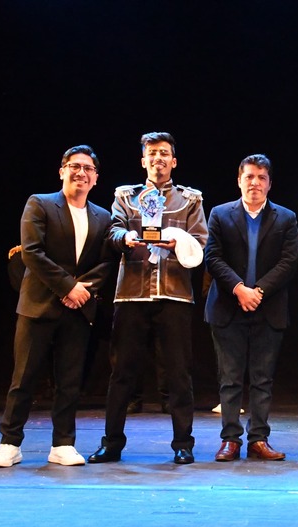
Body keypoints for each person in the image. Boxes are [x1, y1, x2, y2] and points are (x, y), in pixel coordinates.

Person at [0, 145, 114, 468]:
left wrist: (83, 291)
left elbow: (107, 262)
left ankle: (63, 444)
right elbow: (32, 252)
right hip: (38, 307)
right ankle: (9, 443)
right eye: (74, 166)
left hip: (78, 309)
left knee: (70, 382)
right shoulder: (40, 203)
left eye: (88, 168)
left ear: (96, 178)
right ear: (62, 171)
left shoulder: (103, 217)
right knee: (24, 379)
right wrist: (67, 286)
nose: (81, 172)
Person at [89, 132, 208, 465]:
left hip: (175, 295)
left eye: (164, 153)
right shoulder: (126, 198)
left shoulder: (190, 200)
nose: (158, 159)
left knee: (179, 373)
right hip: (132, 295)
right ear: (143, 160)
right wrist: (125, 237)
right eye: (152, 153)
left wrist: (178, 242)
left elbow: (201, 242)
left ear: (174, 161)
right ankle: (112, 443)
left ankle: (183, 443)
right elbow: (112, 230)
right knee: (122, 373)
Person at [204, 154, 298, 462]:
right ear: (239, 180)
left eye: (261, 177)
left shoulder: (286, 218)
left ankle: (259, 439)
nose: (255, 183)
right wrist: (239, 289)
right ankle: (230, 439)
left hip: (267, 308)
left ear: (269, 183)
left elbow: (289, 262)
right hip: (228, 307)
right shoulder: (219, 214)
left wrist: (258, 291)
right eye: (249, 177)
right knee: (229, 379)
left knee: (262, 380)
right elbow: (213, 257)